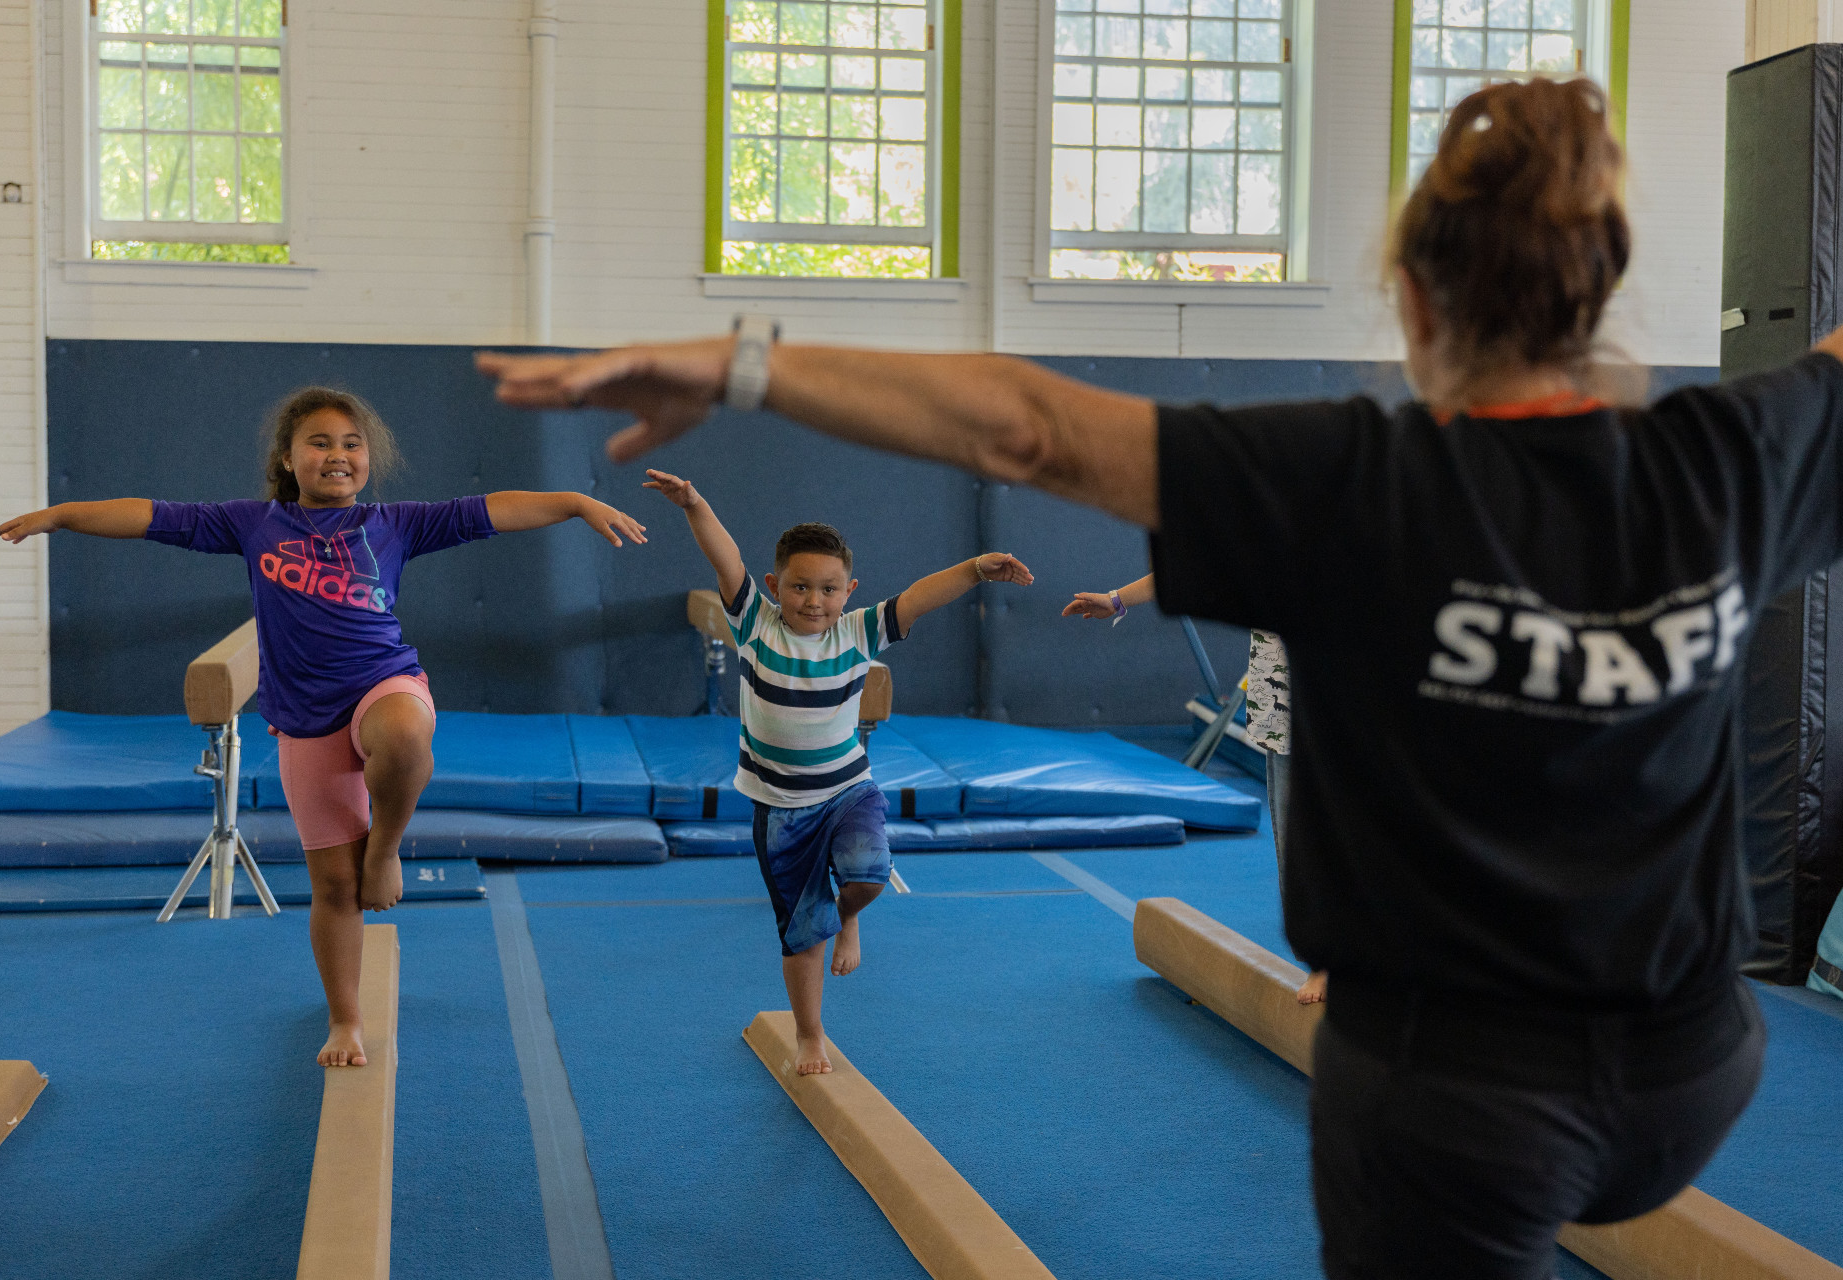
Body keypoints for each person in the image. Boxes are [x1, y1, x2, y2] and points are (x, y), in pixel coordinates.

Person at [477, 76, 1843, 1278]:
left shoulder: (1350, 481)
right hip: (1694, 1070)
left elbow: (1025, 426)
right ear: (1602, 291)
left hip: (1456, 1099)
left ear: (1414, 302)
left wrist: (744, 361)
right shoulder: (1725, 462)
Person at [0, 387, 647, 1069]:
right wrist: (61, 514)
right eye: (320, 443)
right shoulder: (253, 525)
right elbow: (153, 516)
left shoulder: (395, 524)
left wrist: (575, 502)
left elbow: (493, 509)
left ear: (368, 460)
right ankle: (345, 1019)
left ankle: (385, 848)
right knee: (333, 888)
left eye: (351, 444)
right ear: (288, 459)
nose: (338, 455)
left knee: (406, 736)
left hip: (383, 682)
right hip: (305, 719)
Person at [642, 468, 1032, 1075]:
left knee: (871, 878)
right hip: (779, 806)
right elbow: (726, 556)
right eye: (799, 587)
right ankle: (810, 1033)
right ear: (774, 585)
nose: (813, 601)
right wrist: (694, 503)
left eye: (828, 589)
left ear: (850, 590)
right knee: (803, 932)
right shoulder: (755, 623)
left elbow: (921, 595)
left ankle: (848, 915)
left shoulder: (858, 632)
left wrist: (976, 568)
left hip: (848, 789)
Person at [1067, 575, 1325, 1004]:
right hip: (1283, 697)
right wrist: (1117, 600)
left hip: (1350, 693)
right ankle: (1324, 959)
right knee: (1296, 836)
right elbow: (1192, 560)